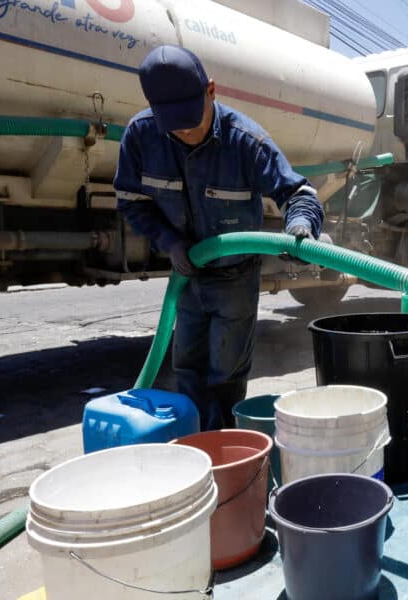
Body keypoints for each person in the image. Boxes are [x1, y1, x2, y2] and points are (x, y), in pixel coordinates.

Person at [114, 45, 324, 430]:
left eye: (192, 121)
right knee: (187, 368)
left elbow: (299, 194)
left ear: (211, 90)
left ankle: (225, 446)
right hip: (187, 274)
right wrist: (169, 242)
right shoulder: (142, 136)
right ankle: (196, 447)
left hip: (235, 276)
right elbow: (131, 203)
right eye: (174, 125)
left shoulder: (246, 141)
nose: (185, 132)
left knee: (225, 376)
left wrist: (301, 226)